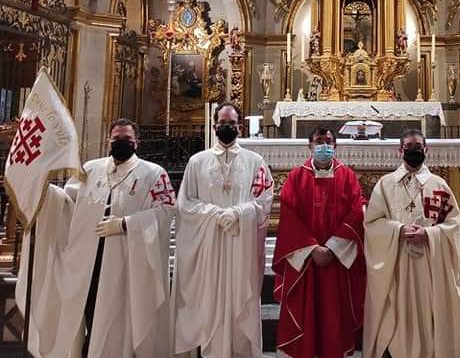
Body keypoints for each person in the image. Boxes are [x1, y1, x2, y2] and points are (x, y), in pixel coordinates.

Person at [17, 118, 175, 358]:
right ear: (108, 140)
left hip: (124, 263)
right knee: (87, 313)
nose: (121, 142)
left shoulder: (153, 174)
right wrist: (45, 191)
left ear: (137, 142)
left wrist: (125, 224)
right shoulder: (90, 169)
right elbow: (68, 204)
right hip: (88, 261)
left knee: (116, 318)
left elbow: (167, 210)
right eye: (117, 139)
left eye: (127, 139)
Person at [172, 102, 274, 358]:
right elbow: (185, 203)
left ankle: (239, 351)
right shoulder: (198, 161)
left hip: (241, 242)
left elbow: (265, 198)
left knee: (240, 297)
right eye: (222, 123)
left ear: (239, 126)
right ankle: (211, 349)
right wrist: (214, 214)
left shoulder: (255, 161)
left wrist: (239, 213)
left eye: (231, 123)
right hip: (209, 243)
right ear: (214, 125)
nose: (226, 127)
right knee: (210, 297)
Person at [363, 129, 460, 358]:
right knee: (399, 311)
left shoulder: (438, 185)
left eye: (418, 147)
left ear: (426, 150)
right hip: (397, 261)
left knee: (427, 312)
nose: (414, 151)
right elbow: (372, 223)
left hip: (429, 264)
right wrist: (398, 230)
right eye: (409, 147)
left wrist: (430, 235)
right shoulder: (385, 184)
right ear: (400, 150)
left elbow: (453, 225)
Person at [273, 126, 366, 358]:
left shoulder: (348, 177)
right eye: (318, 141)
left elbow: (356, 213)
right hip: (306, 261)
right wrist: (313, 248)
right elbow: (289, 216)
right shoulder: (295, 178)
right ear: (310, 146)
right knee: (307, 311)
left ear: (335, 145)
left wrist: (333, 248)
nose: (324, 145)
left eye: (328, 141)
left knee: (333, 312)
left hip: (336, 261)